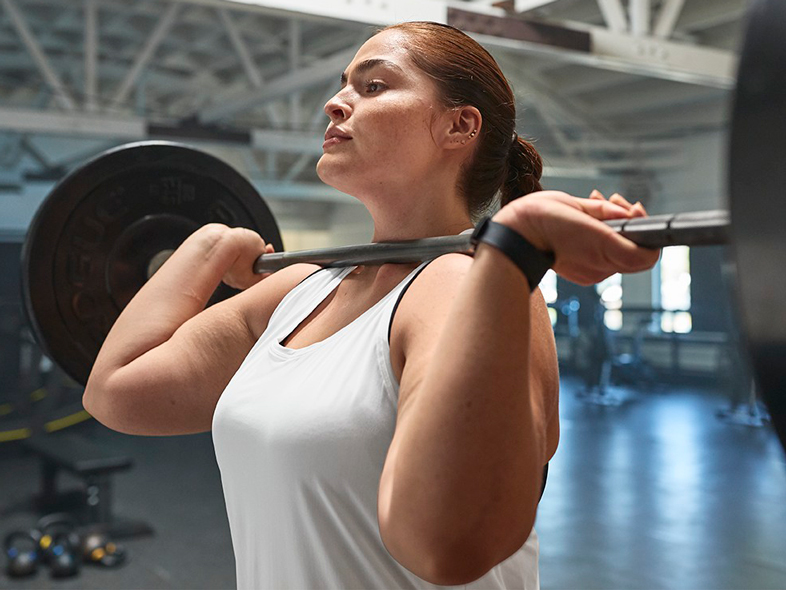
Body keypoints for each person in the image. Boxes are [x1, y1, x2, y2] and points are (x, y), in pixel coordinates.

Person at [82, 21, 659, 589]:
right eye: (342, 84)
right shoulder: (303, 288)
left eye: (373, 85)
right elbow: (117, 393)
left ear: (459, 125)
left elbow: (443, 548)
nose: (335, 103)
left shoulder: (456, 283)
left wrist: (511, 254)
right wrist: (205, 245)